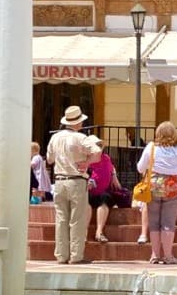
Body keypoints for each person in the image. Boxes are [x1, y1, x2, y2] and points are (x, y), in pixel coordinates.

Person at [46, 105, 102, 265]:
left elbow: (49, 159)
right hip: (76, 180)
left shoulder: (55, 138)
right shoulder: (80, 138)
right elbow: (97, 153)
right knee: (77, 220)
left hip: (59, 181)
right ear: (78, 123)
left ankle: (61, 255)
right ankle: (76, 256)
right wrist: (87, 162)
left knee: (61, 219)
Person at [137, 122, 177, 265]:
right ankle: (168, 256)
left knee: (154, 222)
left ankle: (155, 255)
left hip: (154, 186)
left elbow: (140, 168)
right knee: (168, 222)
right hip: (172, 188)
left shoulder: (151, 147)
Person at [87, 141, 124, 243]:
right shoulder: (87, 159)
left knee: (104, 199)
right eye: (97, 147)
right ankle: (84, 233)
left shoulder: (106, 158)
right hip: (88, 191)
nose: (99, 149)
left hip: (103, 192)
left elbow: (111, 169)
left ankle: (99, 232)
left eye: (101, 147)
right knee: (86, 202)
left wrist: (114, 176)